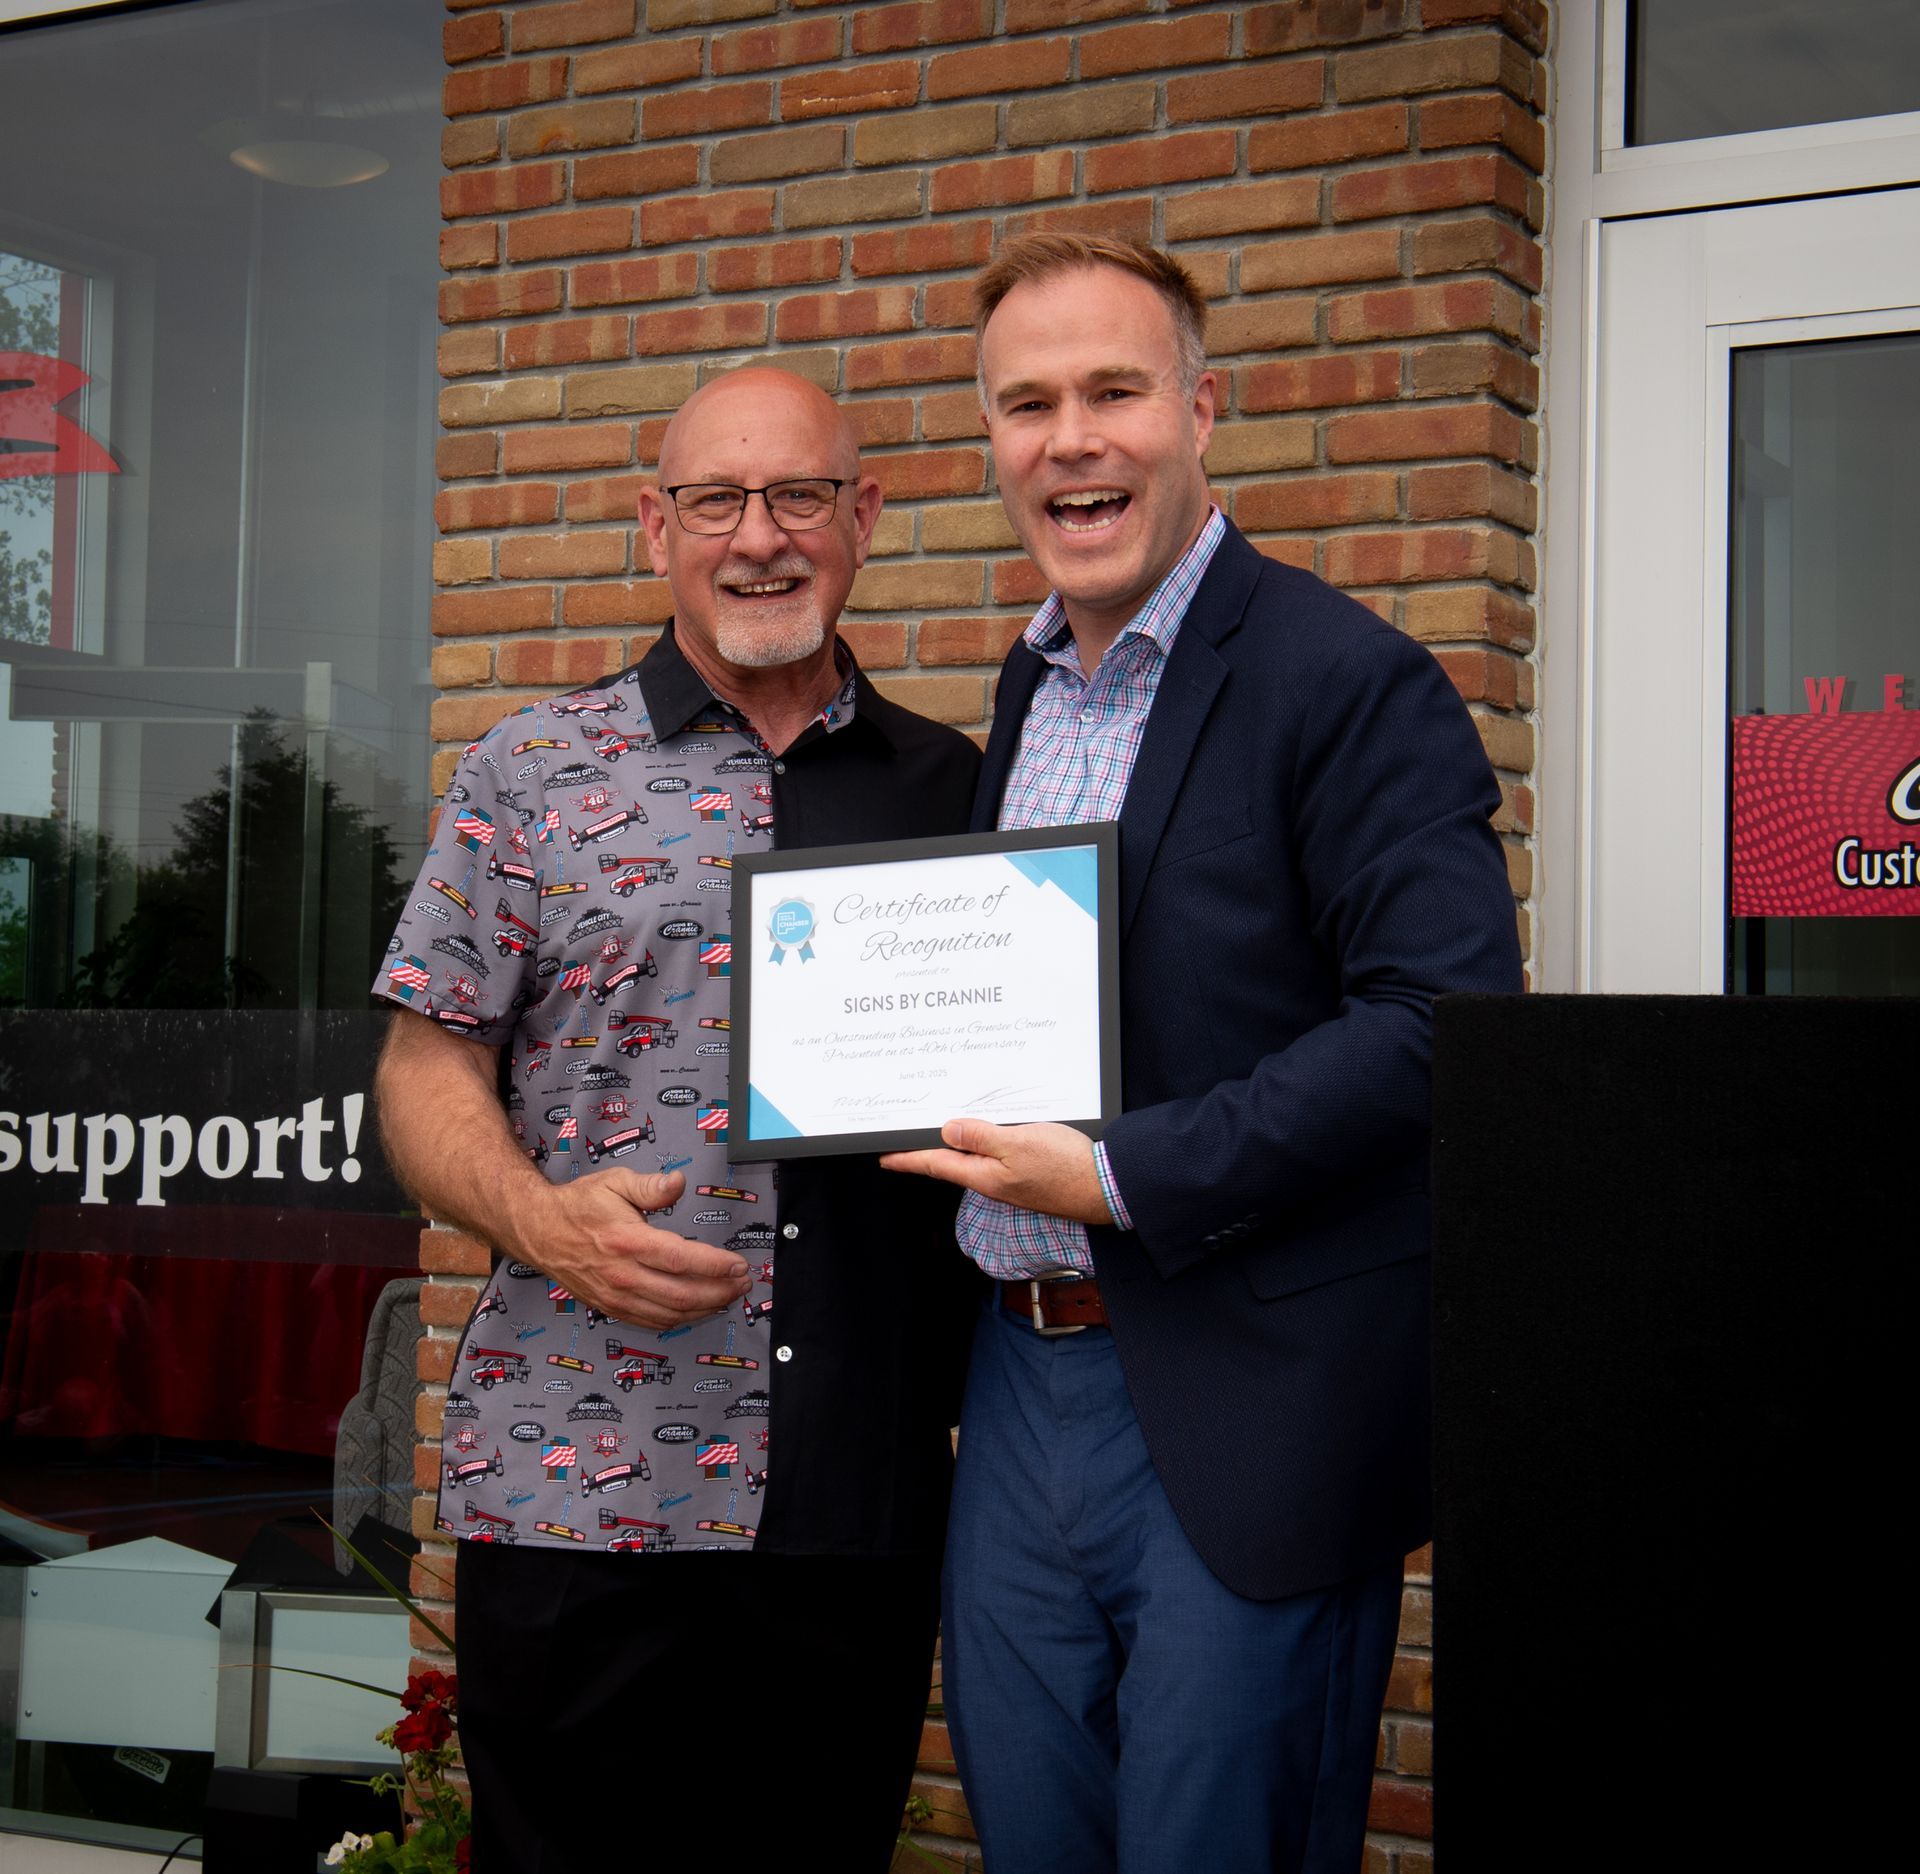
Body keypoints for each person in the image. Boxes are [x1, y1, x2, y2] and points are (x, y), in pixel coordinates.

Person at [882, 234, 1524, 1872]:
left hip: (1244, 1409)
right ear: (990, 439)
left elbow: (1439, 1026)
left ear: (1202, 409)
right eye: (1028, 404)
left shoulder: (1351, 680)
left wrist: (1113, 1174)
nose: (1071, 439)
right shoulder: (1026, 690)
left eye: (1115, 390)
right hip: (1016, 1389)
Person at [372, 367, 982, 1872]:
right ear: (657, 527)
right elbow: (423, 1067)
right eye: (716, 500)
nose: (758, 537)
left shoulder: (957, 791)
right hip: (579, 1493)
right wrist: (539, 1219)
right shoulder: (532, 769)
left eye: (800, 497)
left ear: (864, 516)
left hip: (848, 1497)